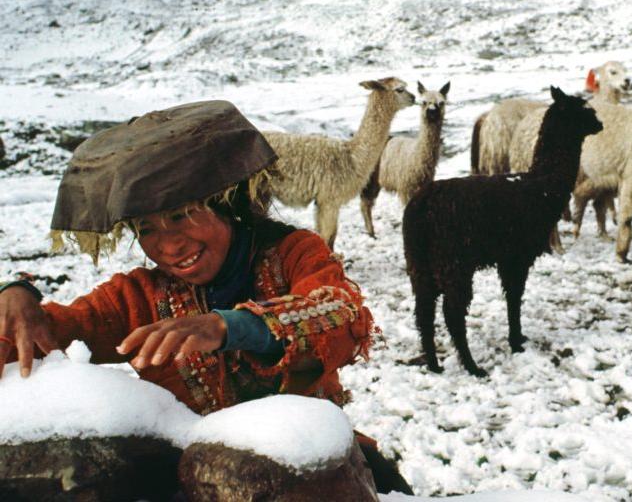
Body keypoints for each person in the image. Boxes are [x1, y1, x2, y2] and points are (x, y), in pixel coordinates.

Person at [0, 99, 412, 495]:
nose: (169, 245)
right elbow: (46, 332)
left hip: (309, 467)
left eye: (180, 215)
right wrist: (16, 296)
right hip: (198, 480)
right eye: (146, 229)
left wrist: (228, 326)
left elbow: (339, 311)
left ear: (225, 202)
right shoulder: (137, 297)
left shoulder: (293, 253)